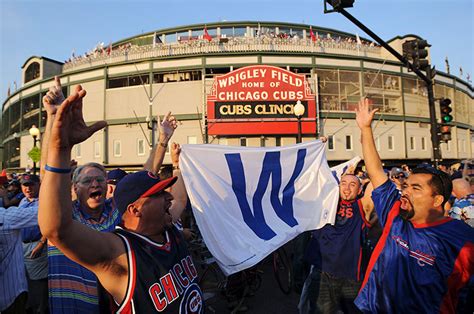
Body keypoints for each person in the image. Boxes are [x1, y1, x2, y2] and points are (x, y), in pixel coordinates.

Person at [38, 83, 203, 313]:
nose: (95, 184)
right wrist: (57, 139)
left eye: (100, 180)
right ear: (73, 188)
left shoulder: (114, 213)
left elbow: (142, 183)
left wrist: (164, 144)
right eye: (87, 181)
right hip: (72, 306)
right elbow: (50, 189)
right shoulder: (70, 214)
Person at [354, 98, 474, 313]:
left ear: (437, 200)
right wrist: (365, 129)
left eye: (416, 188)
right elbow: (376, 172)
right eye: (406, 185)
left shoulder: (463, 240)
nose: (406, 190)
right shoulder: (394, 214)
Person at [299, 173, 371, 314]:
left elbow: (377, 183)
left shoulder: (362, 207)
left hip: (350, 277)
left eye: (352, 184)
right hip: (322, 273)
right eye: (343, 183)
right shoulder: (324, 202)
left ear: (360, 190)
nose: (347, 188)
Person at [0, 183, 40, 313]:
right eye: (25, 185)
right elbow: (51, 211)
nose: (28, 188)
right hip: (10, 296)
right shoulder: (6, 217)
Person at [19, 174, 49, 314]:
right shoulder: (22, 202)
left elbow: (50, 225)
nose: (28, 188)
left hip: (37, 244)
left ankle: (41, 309)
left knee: (39, 281)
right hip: (22, 246)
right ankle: (32, 307)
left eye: (31, 185)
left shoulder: (44, 201)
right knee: (26, 281)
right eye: (25, 185)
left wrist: (41, 243)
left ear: (38, 185)